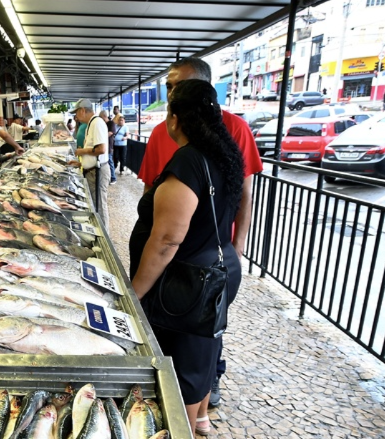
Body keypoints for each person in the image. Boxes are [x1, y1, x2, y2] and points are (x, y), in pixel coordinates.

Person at [138, 56, 263, 412]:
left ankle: (188, 429)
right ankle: (199, 416)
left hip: (190, 276)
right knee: (201, 349)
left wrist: (135, 294)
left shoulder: (189, 160)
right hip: (215, 264)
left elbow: (167, 241)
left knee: (186, 359)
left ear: (178, 116)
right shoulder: (220, 150)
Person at [69, 99, 111, 226]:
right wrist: (81, 164)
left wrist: (82, 151)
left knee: (100, 206)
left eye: (76, 113)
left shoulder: (96, 123)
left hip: (97, 172)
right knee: (95, 205)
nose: (75, 117)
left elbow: (101, 149)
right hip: (92, 171)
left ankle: (105, 239)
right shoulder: (91, 123)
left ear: (82, 110)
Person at [102, 110, 117, 184]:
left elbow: (110, 133)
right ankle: (109, 177)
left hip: (109, 146)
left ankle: (113, 178)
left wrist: (101, 137)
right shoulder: (104, 124)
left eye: (101, 117)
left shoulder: (111, 123)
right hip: (104, 146)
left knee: (110, 161)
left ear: (104, 116)